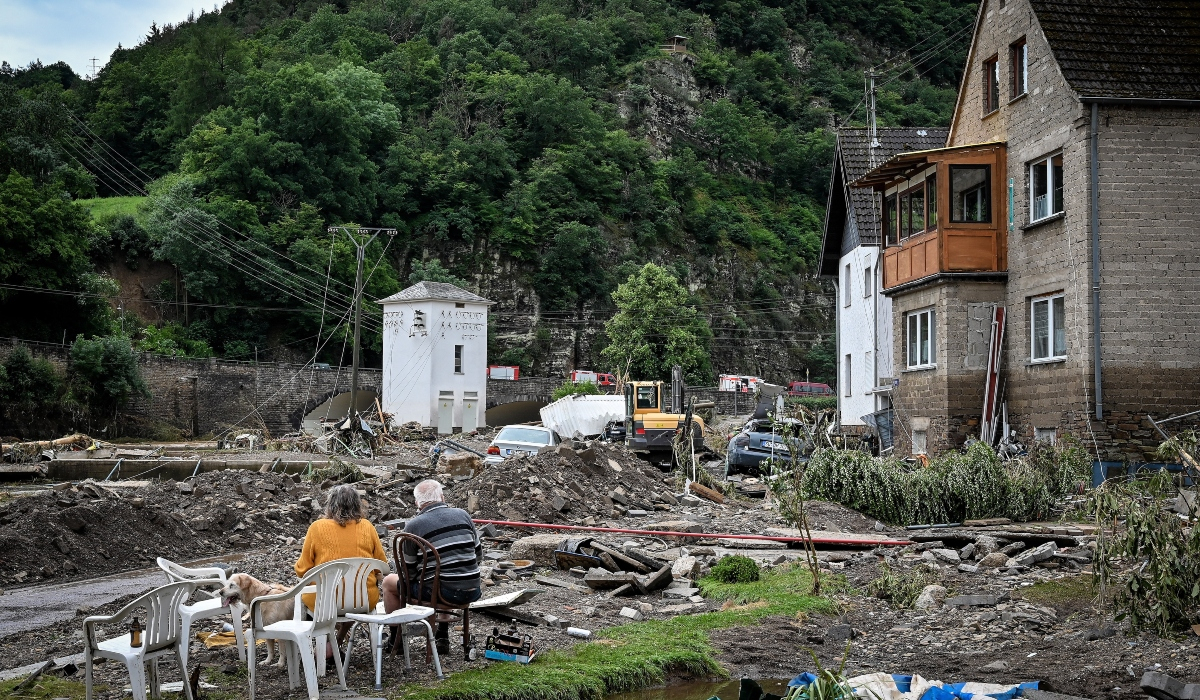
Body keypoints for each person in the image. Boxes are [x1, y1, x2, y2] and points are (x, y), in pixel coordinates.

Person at [382, 479, 482, 653]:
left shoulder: (413, 526)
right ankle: (442, 636)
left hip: (441, 593)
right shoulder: (463, 515)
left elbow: (408, 573)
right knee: (444, 574)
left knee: (389, 582)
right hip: (471, 589)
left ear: (417, 503)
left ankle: (395, 642)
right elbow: (478, 555)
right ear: (442, 497)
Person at [294, 484, 388, 616]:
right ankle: (342, 635)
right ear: (357, 505)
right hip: (363, 600)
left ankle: (320, 634)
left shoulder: (316, 527)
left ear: (331, 505)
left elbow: (302, 570)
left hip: (324, 603)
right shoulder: (367, 527)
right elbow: (382, 567)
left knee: (305, 595)